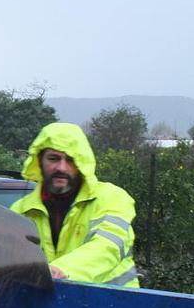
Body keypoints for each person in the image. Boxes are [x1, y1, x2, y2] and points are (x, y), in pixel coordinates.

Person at [10, 122, 139, 287]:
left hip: (115, 306)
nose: (61, 168)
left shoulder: (112, 197)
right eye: (53, 158)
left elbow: (107, 247)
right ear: (39, 161)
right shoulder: (20, 210)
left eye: (70, 159)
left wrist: (60, 270)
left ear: (81, 163)